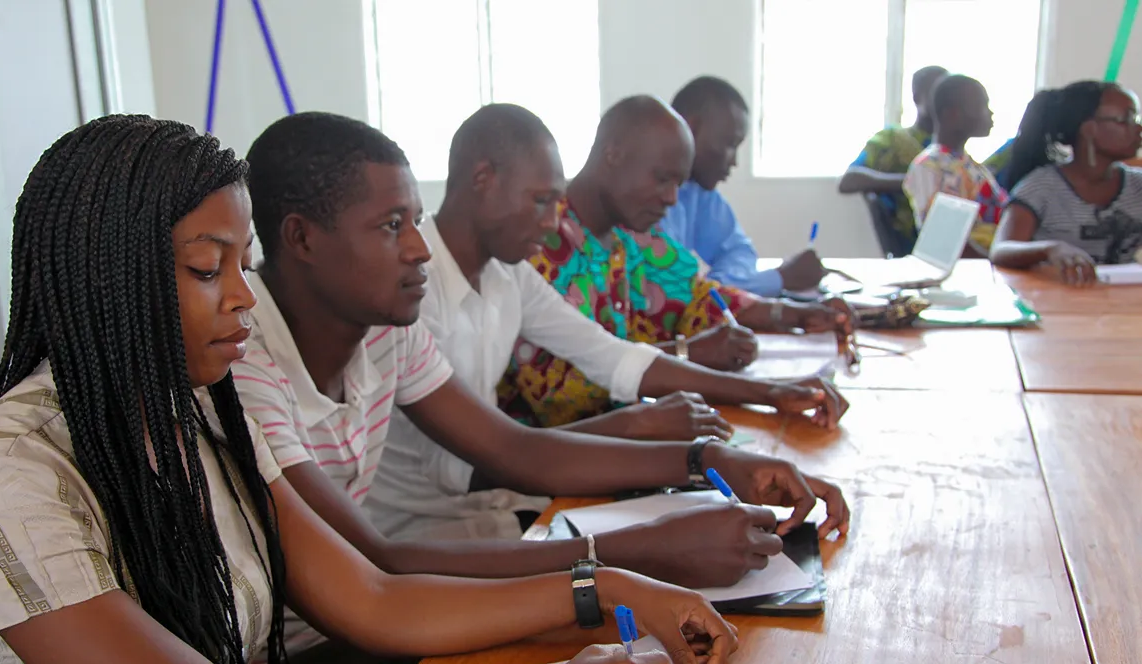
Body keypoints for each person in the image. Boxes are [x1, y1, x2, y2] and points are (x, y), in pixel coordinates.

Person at [0, 114, 771, 664]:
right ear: (104, 275)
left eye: (240, 263)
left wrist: (604, 587)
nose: (243, 299)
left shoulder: (200, 413)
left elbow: (371, 596)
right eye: (205, 269)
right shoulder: (7, 470)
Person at [235, 113, 849, 571]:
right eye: (394, 225)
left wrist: (709, 458)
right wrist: (633, 546)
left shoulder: (391, 329)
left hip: (434, 553)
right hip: (387, 579)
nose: (417, 247)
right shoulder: (248, 363)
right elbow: (382, 556)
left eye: (413, 222)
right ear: (302, 239)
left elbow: (523, 446)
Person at [501, 95, 854, 433]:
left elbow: (696, 296)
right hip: (542, 466)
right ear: (613, 155)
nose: (671, 198)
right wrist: (691, 353)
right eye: (661, 178)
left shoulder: (630, 235)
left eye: (678, 183)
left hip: (624, 438)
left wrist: (792, 314)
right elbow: (565, 391)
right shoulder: (539, 243)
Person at [661, 76, 823, 296]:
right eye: (729, 144)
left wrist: (721, 289)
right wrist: (780, 279)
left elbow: (738, 250)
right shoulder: (649, 201)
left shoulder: (698, 193)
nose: (734, 161)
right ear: (692, 128)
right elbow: (674, 296)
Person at [991, 81, 1142, 285]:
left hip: (1122, 303)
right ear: (1089, 129)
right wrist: (1051, 249)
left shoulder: (1137, 185)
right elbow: (1001, 249)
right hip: (1058, 303)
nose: (1138, 128)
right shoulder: (1042, 187)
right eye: (1126, 119)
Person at [839, 66, 949, 252]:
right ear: (917, 97)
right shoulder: (892, 139)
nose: (944, 102)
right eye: (936, 93)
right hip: (917, 244)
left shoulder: (952, 152)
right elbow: (849, 180)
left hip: (951, 240)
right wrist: (911, 182)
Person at [903, 74, 1008, 256]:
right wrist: (996, 260)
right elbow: (942, 240)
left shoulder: (968, 164)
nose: (989, 113)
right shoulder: (928, 167)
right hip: (976, 267)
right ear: (952, 114)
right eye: (981, 105)